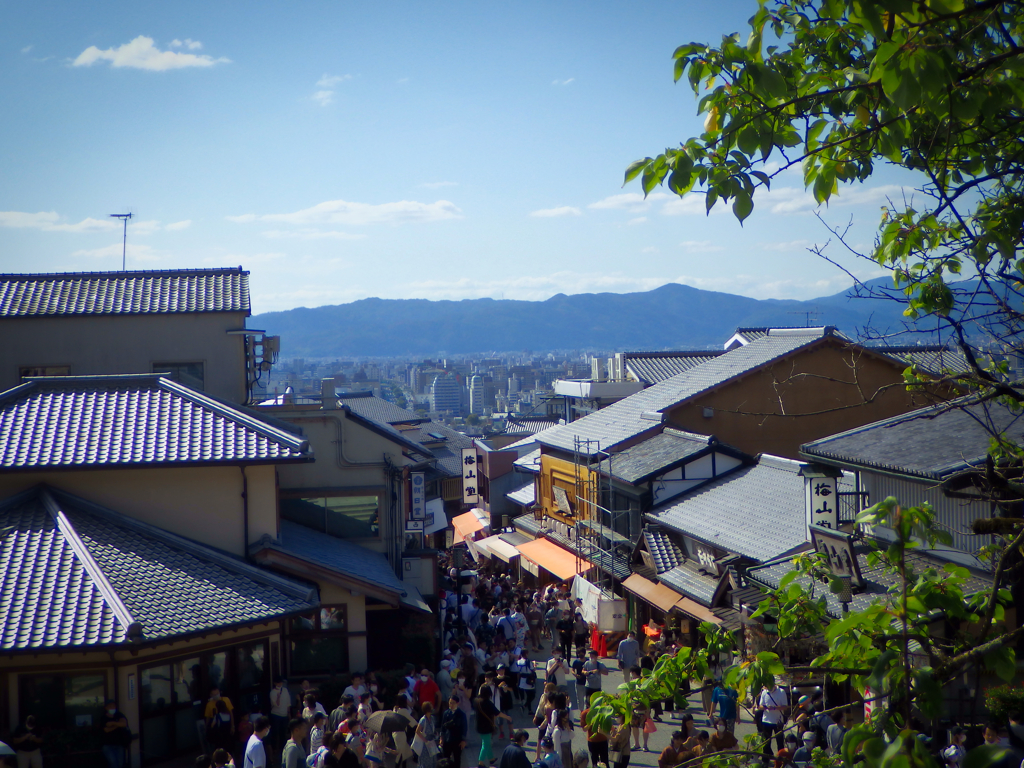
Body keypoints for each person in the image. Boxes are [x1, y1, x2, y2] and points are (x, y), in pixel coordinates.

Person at [475, 684, 512, 768]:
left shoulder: (476, 701)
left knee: (486, 742)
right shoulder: (488, 703)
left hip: (478, 725)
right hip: (487, 726)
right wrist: (507, 717)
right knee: (485, 744)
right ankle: (480, 762)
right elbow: (497, 713)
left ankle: (491, 759)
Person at [757, 681, 789, 757]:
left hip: (778, 721)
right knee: (766, 742)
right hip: (766, 720)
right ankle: (765, 760)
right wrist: (765, 707)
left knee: (780, 742)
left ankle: (780, 760)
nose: (768, 688)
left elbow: (785, 706)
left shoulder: (781, 692)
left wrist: (774, 708)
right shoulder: (764, 692)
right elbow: (760, 706)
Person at [440, 696, 468, 768]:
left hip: (457, 740)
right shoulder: (446, 713)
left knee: (457, 759)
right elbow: (443, 727)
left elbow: (464, 728)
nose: (451, 705)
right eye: (450, 703)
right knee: (446, 759)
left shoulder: (461, 714)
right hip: (447, 739)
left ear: (457, 703)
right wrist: (441, 737)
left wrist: (463, 740)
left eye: (453, 703)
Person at [580, 704, 608, 768]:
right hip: (592, 741)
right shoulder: (585, 713)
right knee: (595, 762)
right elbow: (584, 729)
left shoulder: (603, 711)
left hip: (603, 740)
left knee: (605, 762)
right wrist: (590, 723)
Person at [270, 677, 292, 752]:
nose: (280, 684)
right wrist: (278, 697)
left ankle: (283, 748)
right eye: (278, 683)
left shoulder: (285, 690)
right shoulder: (272, 692)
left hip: (284, 715)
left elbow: (288, 702)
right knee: (276, 733)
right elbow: (277, 704)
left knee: (283, 732)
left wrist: (289, 713)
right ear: (275, 683)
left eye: (281, 682)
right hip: (276, 715)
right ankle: (275, 749)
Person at [417, 702, 439, 768]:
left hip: (432, 741)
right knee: (426, 762)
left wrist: (435, 733)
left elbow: (433, 729)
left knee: (433, 760)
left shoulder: (432, 718)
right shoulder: (423, 720)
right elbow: (417, 731)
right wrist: (425, 740)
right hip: (425, 744)